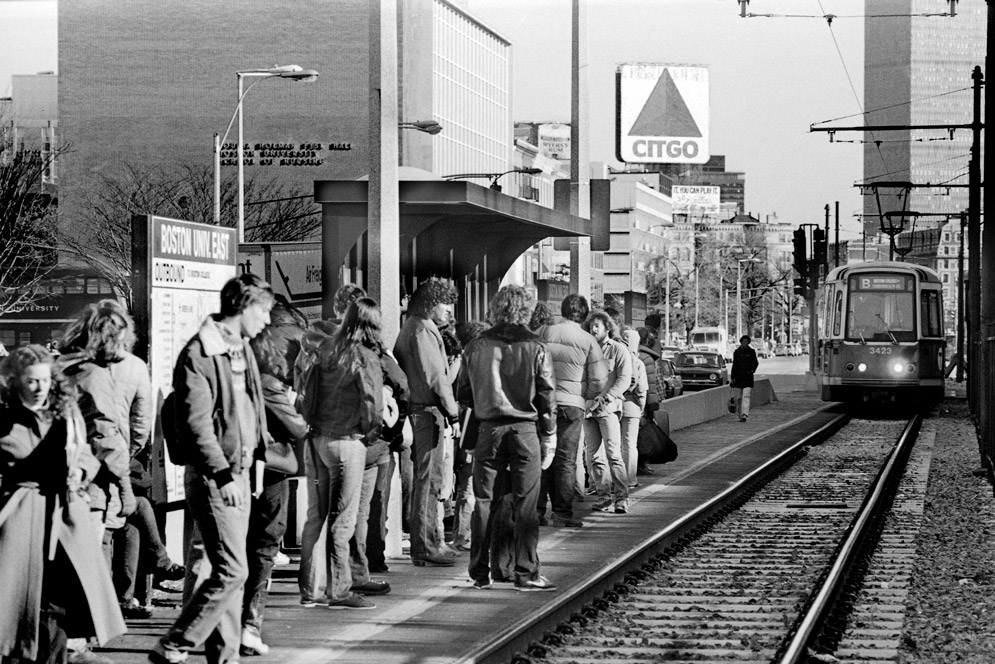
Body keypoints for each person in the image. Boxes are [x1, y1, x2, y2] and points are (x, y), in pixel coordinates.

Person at [150, 273, 273, 664]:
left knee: (232, 579)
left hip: (239, 473)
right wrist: (222, 474)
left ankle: (226, 657)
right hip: (216, 477)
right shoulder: (200, 353)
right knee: (233, 570)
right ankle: (176, 642)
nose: (267, 320)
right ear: (243, 306)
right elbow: (196, 425)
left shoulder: (240, 349)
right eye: (264, 311)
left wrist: (254, 462)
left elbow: (250, 412)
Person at [1, 345, 127, 664]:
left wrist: (81, 471)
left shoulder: (66, 412)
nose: (39, 388)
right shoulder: (4, 417)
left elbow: (85, 451)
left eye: (44, 380)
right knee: (16, 606)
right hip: (18, 517)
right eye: (31, 381)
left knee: (57, 603)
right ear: (16, 382)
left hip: (64, 516)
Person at [457, 285, 558, 591]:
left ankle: (479, 572)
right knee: (527, 503)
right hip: (525, 430)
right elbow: (546, 394)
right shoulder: (536, 346)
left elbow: (463, 392)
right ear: (526, 310)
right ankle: (525, 573)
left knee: (485, 502)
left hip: (488, 429)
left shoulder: (476, 345)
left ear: (495, 309)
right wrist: (550, 434)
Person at [297, 297, 384, 610]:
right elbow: (372, 403)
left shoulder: (325, 349)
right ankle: (340, 590)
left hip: (318, 439)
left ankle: (311, 590)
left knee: (315, 518)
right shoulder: (364, 356)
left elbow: (306, 394)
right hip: (347, 441)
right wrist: (369, 433)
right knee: (342, 520)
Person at [241, 300, 309, 656]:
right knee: (264, 544)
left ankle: (244, 624)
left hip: (264, 468)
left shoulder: (255, 373)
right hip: (268, 468)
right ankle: (248, 624)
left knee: (258, 546)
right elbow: (298, 427)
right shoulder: (270, 383)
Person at [393, 278, 460, 568]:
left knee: (427, 480)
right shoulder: (422, 330)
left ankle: (430, 541)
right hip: (426, 411)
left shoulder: (414, 327)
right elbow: (436, 378)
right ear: (431, 304)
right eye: (444, 303)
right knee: (428, 482)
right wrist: (453, 413)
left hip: (419, 410)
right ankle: (426, 545)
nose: (449, 311)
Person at [536, 294, 606, 528]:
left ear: (563, 310)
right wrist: (586, 398)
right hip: (573, 406)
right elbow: (598, 379)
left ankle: (536, 512)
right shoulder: (588, 340)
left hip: (543, 403)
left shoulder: (544, 332)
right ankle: (563, 514)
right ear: (584, 315)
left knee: (543, 456)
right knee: (566, 460)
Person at [582, 311, 632, 514]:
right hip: (588, 409)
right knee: (593, 455)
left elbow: (624, 378)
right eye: (591, 326)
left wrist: (609, 396)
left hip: (608, 409)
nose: (593, 330)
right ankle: (603, 496)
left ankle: (621, 497)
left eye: (597, 326)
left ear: (607, 328)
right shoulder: (585, 350)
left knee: (613, 454)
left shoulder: (618, 350)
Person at [620, 329, 647, 489]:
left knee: (615, 444)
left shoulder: (616, 356)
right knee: (630, 444)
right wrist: (641, 408)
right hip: (632, 407)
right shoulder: (637, 362)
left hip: (615, 405)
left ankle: (615, 478)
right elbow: (642, 389)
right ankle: (630, 479)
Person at [730, 335, 759, 423]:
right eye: (743, 342)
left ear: (748, 343)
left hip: (748, 377)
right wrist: (732, 378)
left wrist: (751, 370)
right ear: (741, 342)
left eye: (746, 342)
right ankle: (740, 413)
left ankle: (744, 414)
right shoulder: (737, 352)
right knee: (739, 397)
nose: (745, 343)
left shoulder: (751, 352)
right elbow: (734, 365)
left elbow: (756, 363)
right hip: (738, 377)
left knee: (746, 396)